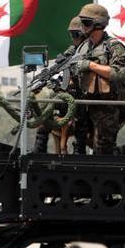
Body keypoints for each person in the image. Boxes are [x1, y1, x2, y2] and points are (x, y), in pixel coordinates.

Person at [71, 3, 125, 155]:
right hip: (84, 104)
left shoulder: (114, 46)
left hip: (106, 106)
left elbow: (118, 73)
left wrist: (91, 65)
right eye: (82, 22)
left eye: (86, 23)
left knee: (103, 147)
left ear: (98, 24)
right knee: (79, 145)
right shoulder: (82, 47)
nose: (82, 27)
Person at [32, 17, 88, 153]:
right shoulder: (74, 48)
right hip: (69, 90)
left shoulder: (91, 47)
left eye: (75, 34)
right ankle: (39, 146)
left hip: (85, 91)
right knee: (46, 106)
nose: (73, 38)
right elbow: (63, 61)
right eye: (72, 34)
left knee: (82, 116)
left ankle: (79, 149)